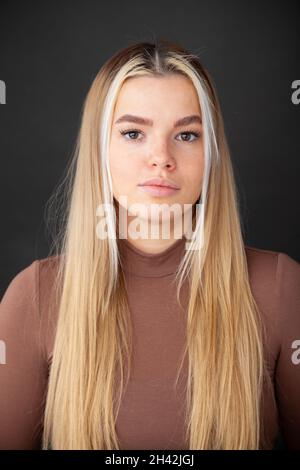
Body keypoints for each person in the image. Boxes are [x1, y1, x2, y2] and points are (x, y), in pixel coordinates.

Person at [0, 39, 299, 450]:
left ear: (212, 153)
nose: (161, 157)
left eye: (188, 135)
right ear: (99, 150)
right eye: (133, 132)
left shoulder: (280, 287)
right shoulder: (34, 296)